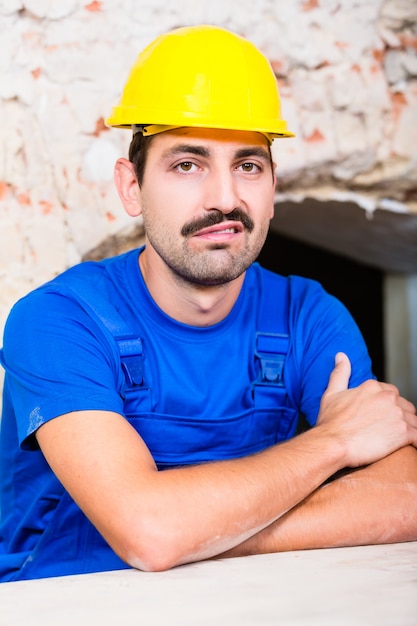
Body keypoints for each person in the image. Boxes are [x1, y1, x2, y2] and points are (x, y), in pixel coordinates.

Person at [0, 25, 416, 583]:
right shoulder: (57, 322)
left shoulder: (308, 316)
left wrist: (193, 534)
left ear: (272, 189)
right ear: (131, 187)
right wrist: (334, 441)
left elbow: (404, 498)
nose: (224, 199)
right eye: (187, 165)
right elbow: (150, 532)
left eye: (248, 165)